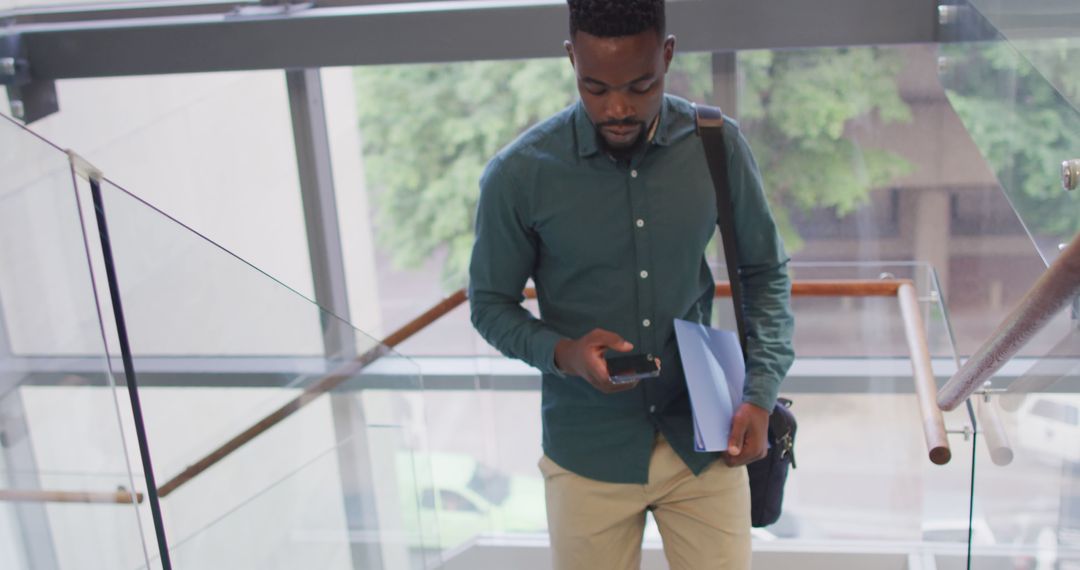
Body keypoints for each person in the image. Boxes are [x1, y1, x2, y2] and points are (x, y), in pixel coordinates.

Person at [468, 0, 794, 567]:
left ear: (667, 55)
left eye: (641, 86)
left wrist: (760, 392)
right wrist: (564, 353)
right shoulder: (519, 174)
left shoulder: (717, 145)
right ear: (571, 58)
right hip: (585, 455)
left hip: (705, 441)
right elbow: (490, 305)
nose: (617, 107)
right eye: (594, 87)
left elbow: (764, 272)